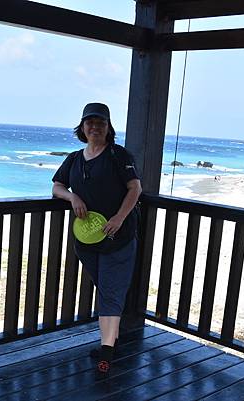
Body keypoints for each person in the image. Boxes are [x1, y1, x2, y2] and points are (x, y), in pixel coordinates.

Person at [51, 102, 142, 379]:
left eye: (100, 123)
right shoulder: (75, 158)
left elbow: (135, 188)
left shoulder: (118, 155)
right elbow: (56, 186)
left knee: (111, 293)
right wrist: (73, 197)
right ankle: (109, 341)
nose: (94, 127)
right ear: (82, 127)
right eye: (90, 122)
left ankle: (106, 353)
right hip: (87, 240)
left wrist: (119, 218)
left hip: (117, 237)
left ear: (108, 128)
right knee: (105, 289)